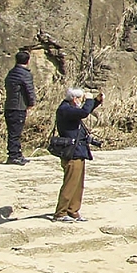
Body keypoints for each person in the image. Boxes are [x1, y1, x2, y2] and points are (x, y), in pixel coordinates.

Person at [51, 86, 101, 223]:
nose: (82, 101)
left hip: (79, 152)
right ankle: (60, 213)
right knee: (70, 184)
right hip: (71, 153)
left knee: (78, 185)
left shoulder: (70, 109)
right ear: (74, 99)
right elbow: (84, 113)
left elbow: (84, 111)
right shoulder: (64, 110)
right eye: (80, 98)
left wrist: (96, 101)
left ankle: (73, 210)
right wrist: (89, 99)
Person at [2, 49, 36, 165]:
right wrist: (31, 103)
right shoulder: (25, 74)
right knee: (15, 133)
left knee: (12, 132)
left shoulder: (11, 73)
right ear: (27, 61)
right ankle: (14, 155)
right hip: (19, 107)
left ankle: (16, 154)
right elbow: (29, 90)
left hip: (9, 106)